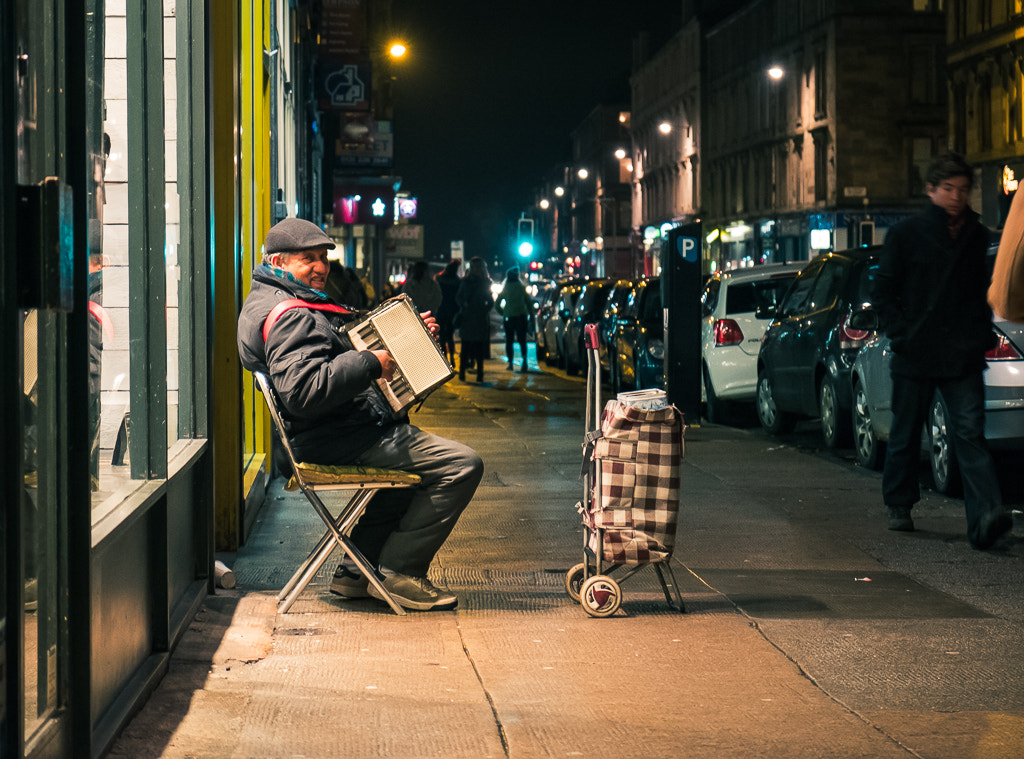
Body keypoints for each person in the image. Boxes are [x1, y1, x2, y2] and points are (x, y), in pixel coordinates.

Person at [237, 218, 483, 610]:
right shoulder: (291, 315)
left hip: (333, 431)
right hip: (335, 437)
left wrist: (407, 336)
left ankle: (358, 571)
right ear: (279, 261)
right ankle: (399, 572)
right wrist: (369, 362)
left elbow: (330, 351)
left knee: (415, 470)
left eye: (323, 258)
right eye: (308, 260)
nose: (320, 267)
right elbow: (303, 391)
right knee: (461, 465)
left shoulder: (270, 301)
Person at [873, 152, 1012, 549]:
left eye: (963, 189)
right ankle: (899, 503)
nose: (956, 196)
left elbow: (981, 291)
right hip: (917, 350)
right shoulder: (907, 234)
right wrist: (900, 333)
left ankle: (985, 517)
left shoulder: (977, 236)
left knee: (969, 434)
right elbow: (883, 291)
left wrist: (980, 332)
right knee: (905, 430)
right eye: (948, 188)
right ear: (931, 189)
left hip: (961, 351)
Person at [456, 256, 494, 383]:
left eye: (477, 267)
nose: (475, 269)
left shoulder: (481, 282)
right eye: (473, 267)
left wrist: (483, 309)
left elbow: (490, 301)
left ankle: (478, 374)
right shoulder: (475, 282)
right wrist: (465, 304)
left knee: (476, 348)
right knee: (467, 347)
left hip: (477, 317)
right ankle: (465, 373)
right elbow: (459, 298)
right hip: (472, 317)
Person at [496, 266, 533, 371]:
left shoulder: (506, 288)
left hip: (509, 317)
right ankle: (524, 361)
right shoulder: (521, 288)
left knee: (509, 340)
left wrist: (503, 312)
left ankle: (511, 363)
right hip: (521, 316)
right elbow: (529, 303)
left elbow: (497, 304)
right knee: (522, 340)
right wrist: (531, 315)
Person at [435, 259, 461, 365]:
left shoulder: (440, 280)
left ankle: (445, 358)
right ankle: (452, 359)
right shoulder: (457, 282)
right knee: (450, 335)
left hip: (441, 309)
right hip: (452, 311)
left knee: (442, 336)